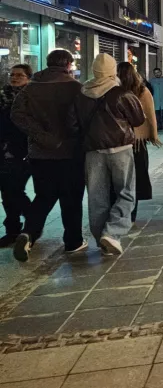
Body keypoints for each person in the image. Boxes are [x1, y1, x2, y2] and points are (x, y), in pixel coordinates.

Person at [11, 49, 86, 262]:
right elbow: (84, 118)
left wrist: (40, 135)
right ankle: (73, 241)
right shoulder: (76, 88)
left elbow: (16, 114)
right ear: (68, 65)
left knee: (43, 196)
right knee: (71, 199)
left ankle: (29, 233)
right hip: (70, 153)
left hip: (40, 153)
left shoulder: (31, 87)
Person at [74, 54, 145, 255]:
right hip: (120, 149)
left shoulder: (82, 93)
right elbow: (138, 119)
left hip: (92, 151)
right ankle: (112, 233)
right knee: (126, 192)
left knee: (97, 196)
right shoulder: (121, 93)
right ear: (112, 71)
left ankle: (101, 238)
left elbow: (73, 122)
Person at [117, 62, 162, 223]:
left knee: (121, 178)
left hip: (118, 141)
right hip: (138, 142)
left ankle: (121, 211)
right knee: (135, 177)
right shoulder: (142, 90)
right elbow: (150, 115)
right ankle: (131, 213)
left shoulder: (114, 91)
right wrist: (153, 135)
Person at [0, 65, 32, 247]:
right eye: (12, 74)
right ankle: (13, 230)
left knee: (14, 190)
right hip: (4, 151)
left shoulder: (32, 97)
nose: (14, 78)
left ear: (29, 77)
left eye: (20, 75)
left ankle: (32, 221)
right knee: (7, 191)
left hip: (25, 151)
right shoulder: (3, 96)